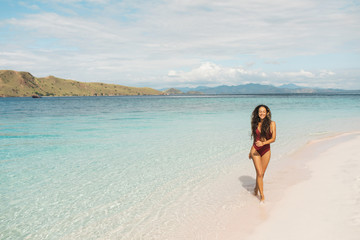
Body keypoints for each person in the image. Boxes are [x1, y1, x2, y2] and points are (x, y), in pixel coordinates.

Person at [248, 105, 276, 202]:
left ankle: (256, 188)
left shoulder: (272, 124)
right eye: (260, 111)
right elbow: (255, 139)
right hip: (255, 150)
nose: (262, 113)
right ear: (257, 113)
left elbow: (273, 139)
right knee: (259, 173)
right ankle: (262, 196)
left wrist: (263, 143)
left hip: (266, 150)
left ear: (267, 112)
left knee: (262, 173)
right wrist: (250, 151)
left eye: (264, 111)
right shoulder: (255, 123)